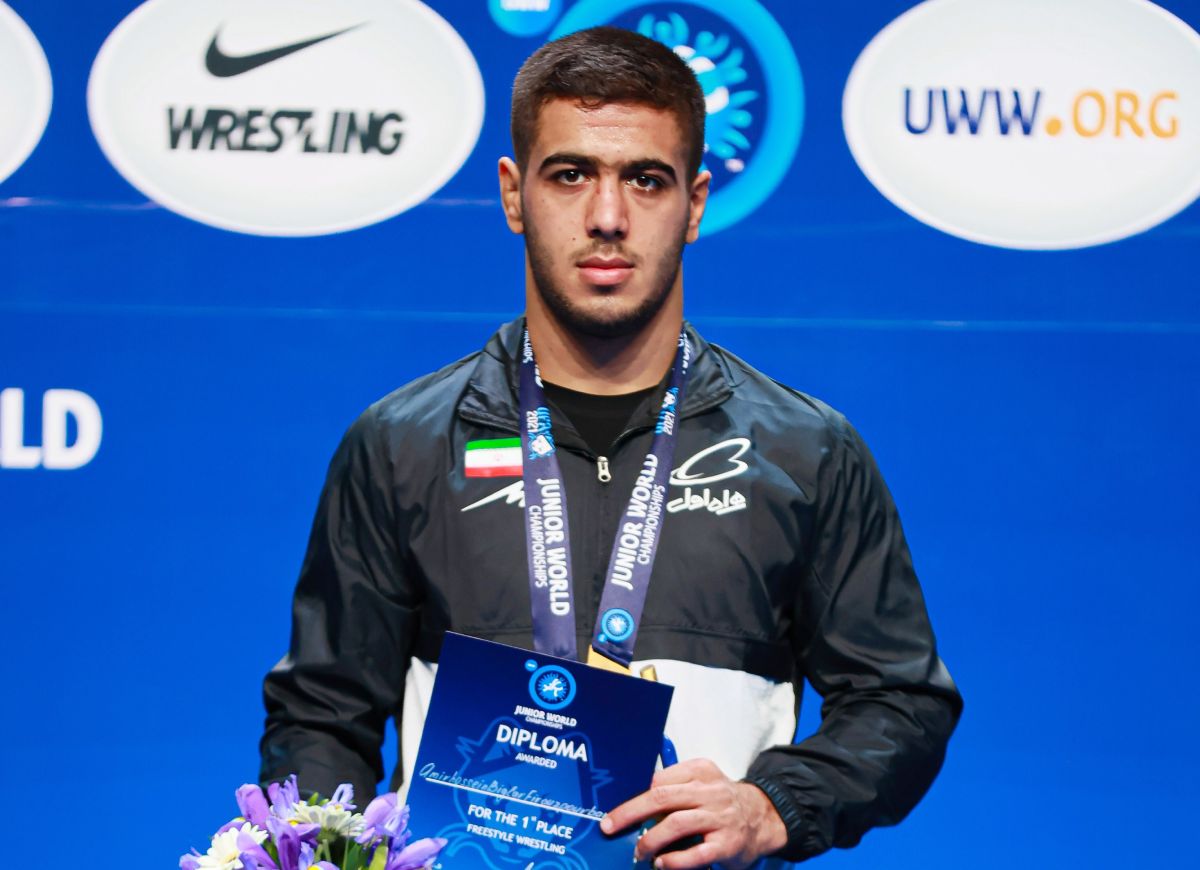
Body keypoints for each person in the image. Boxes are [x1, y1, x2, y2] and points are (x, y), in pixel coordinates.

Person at [260, 26, 961, 869]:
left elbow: (901, 700)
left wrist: (773, 804)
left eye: (645, 180)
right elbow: (323, 715)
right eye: (571, 175)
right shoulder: (401, 445)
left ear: (695, 203)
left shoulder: (805, 453)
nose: (607, 217)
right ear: (514, 195)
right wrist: (320, 855)